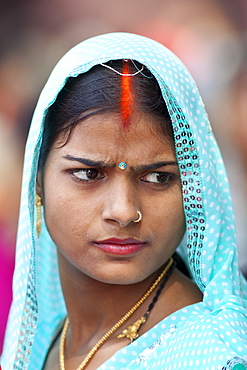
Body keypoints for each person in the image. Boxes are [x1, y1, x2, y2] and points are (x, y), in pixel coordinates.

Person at [1, 32, 247, 370]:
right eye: (88, 174)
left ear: (194, 189)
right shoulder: (46, 334)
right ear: (38, 181)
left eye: (158, 177)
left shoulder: (214, 355)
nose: (124, 211)